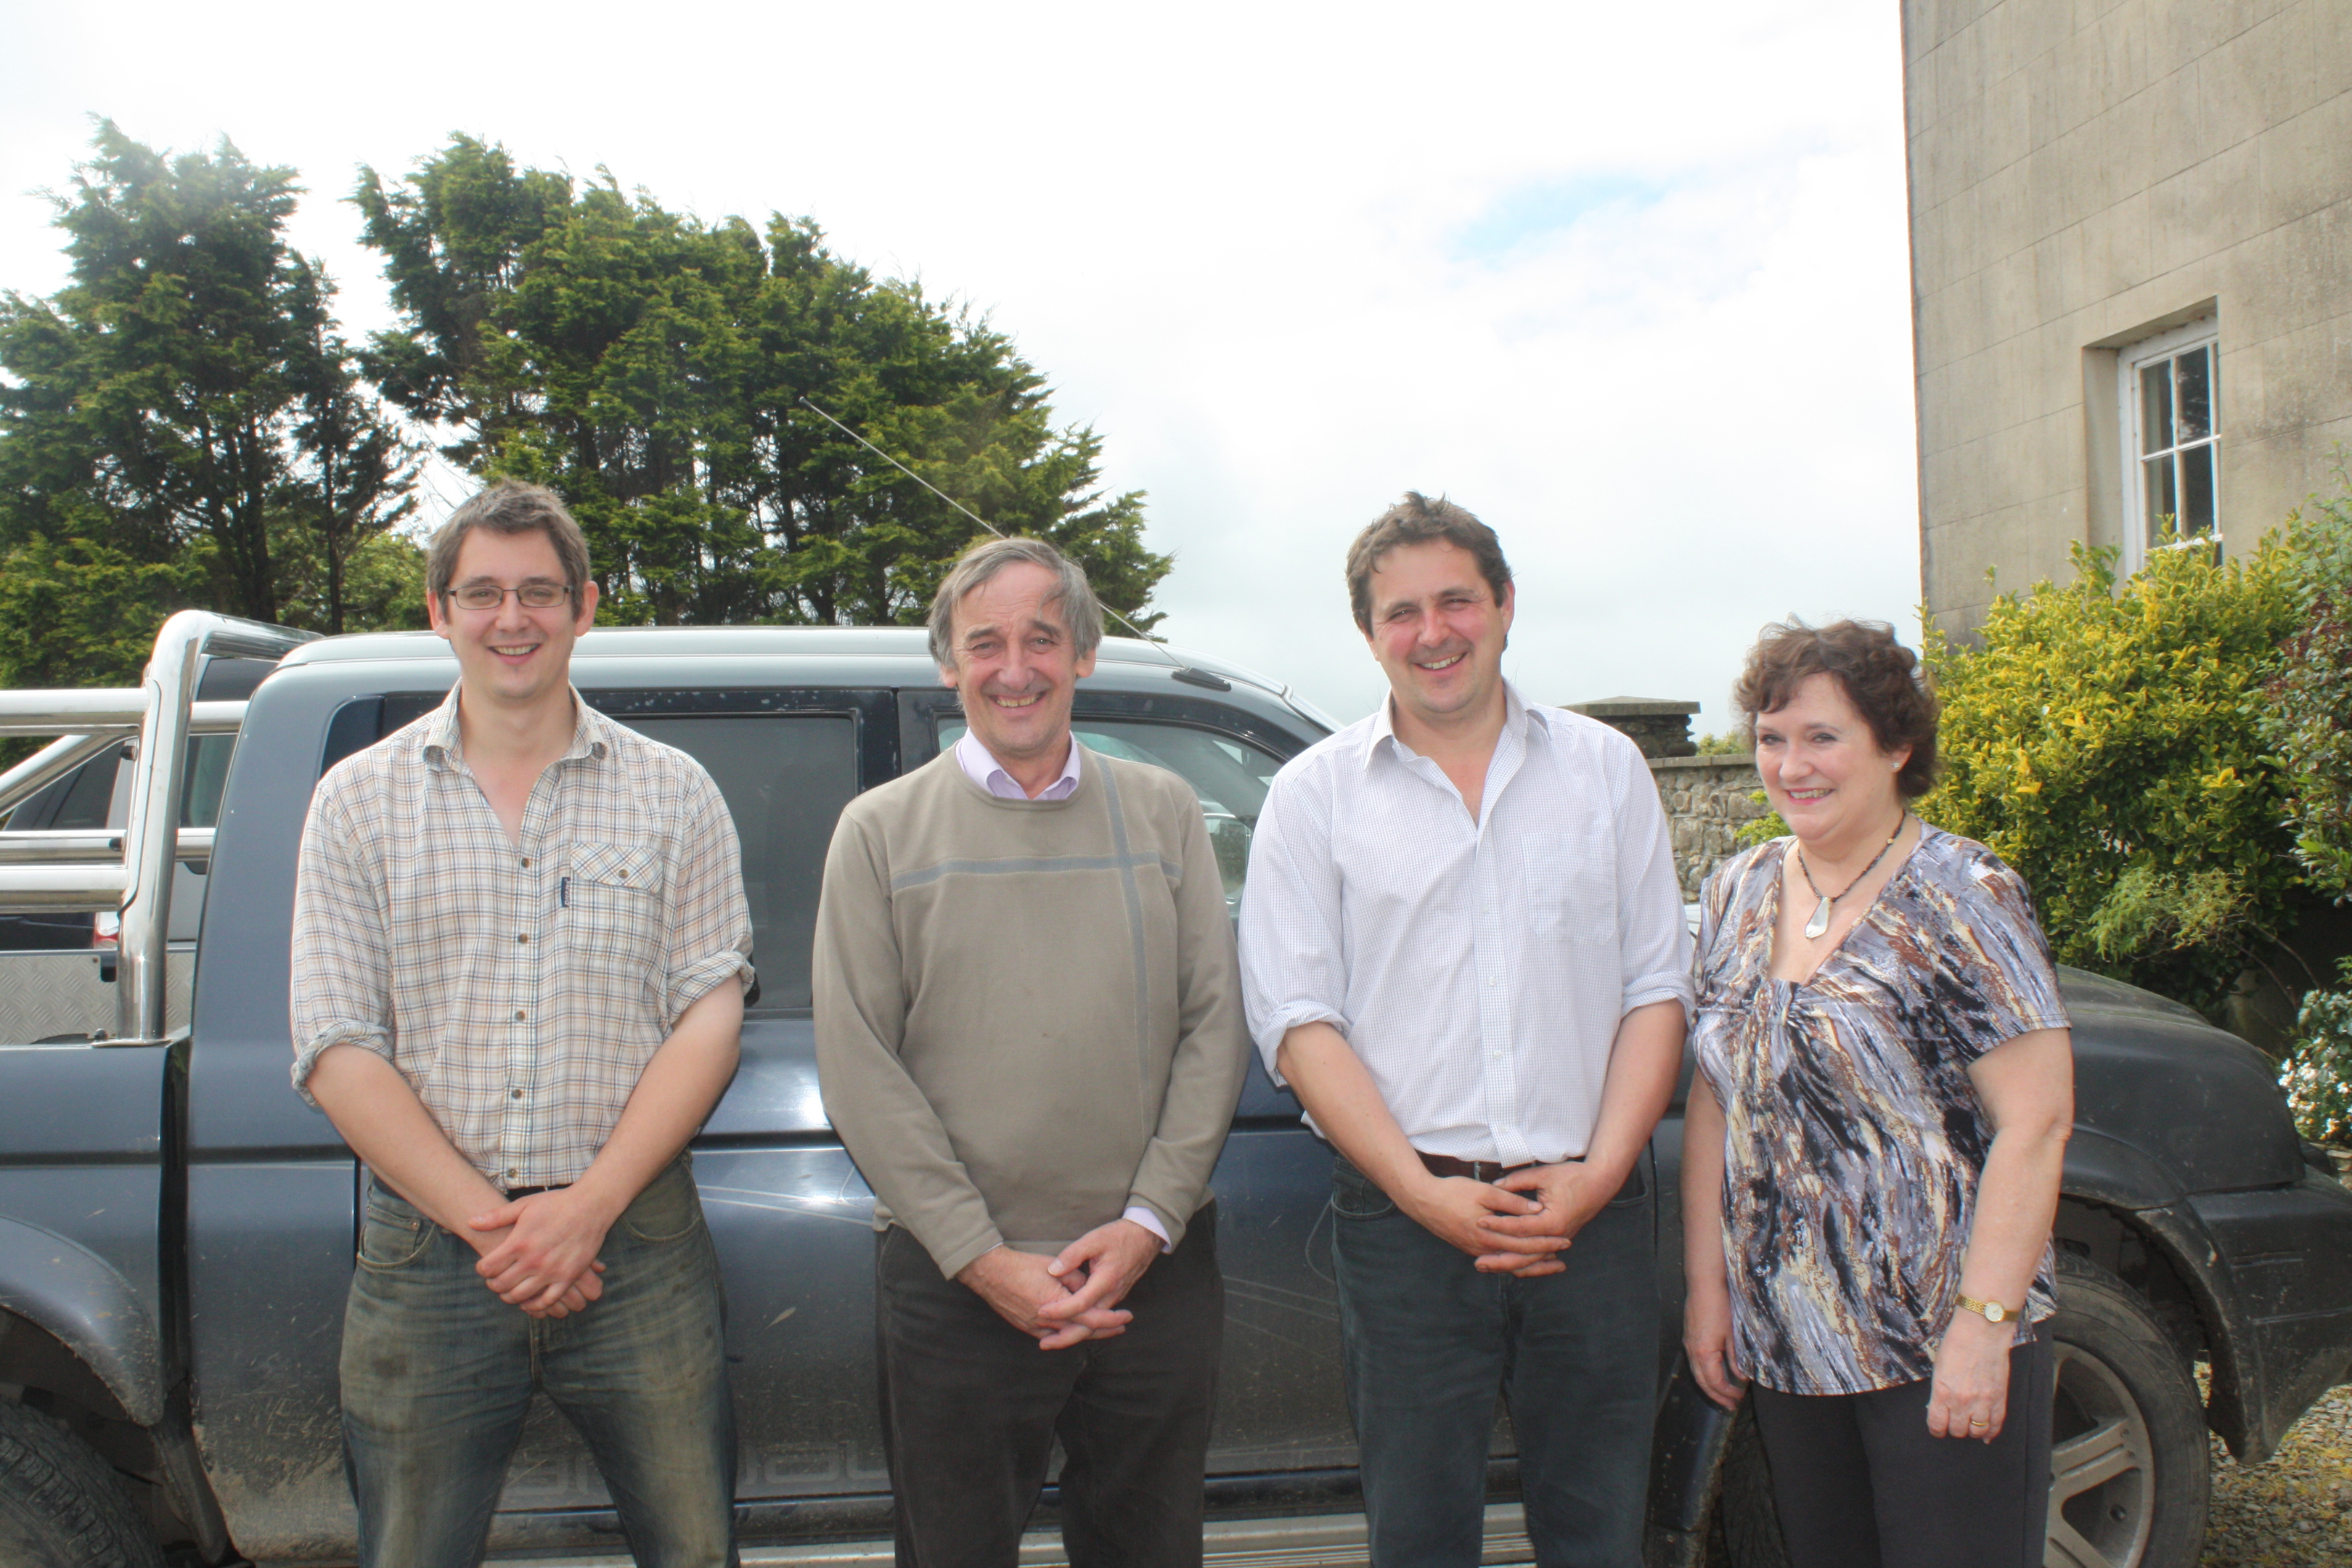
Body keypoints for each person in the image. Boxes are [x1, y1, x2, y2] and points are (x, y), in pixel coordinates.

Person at [290, 481, 754, 1568]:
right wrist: (501, 1231)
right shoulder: (356, 802)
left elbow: (710, 1014)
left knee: (695, 1551)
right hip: (427, 1257)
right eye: (484, 592)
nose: (514, 617)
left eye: (540, 591)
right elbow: (334, 1041)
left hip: (636, 1243)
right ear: (438, 608)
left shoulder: (674, 792)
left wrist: (587, 1209)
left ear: (585, 606)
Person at [1238, 493, 1692, 1568]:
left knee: (1600, 1533)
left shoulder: (1605, 773)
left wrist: (1597, 1174)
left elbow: (1655, 990)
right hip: (1405, 1226)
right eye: (1402, 612)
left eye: (1456, 601)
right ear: (1368, 634)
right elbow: (1301, 1023)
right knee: (1420, 1536)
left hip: (1593, 1215)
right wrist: (1418, 1190)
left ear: (1505, 607)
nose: (1432, 632)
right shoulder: (1312, 798)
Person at [812, 535, 1251, 1568]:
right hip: (956, 1282)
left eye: (1043, 639)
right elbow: (859, 1063)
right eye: (987, 644)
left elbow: (1214, 1023)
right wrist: (979, 1257)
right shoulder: (877, 832)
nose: (1016, 669)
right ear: (948, 666)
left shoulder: (1163, 811)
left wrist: (1149, 1224)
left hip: (1155, 1275)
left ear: (1085, 654)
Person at [1681, 618, 2074, 1568]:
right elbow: (1713, 1101)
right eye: (1773, 738)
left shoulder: (1963, 893)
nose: (1791, 765)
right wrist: (1707, 1290)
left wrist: (1985, 1329)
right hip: (1790, 1343)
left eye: (1822, 737)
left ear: (1897, 746)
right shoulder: (1738, 889)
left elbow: (2039, 1118)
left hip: (1938, 1337)